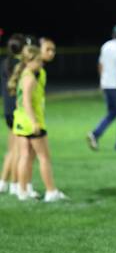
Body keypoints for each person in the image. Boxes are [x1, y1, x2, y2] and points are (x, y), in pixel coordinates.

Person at [9, 43, 67, 202]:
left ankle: (22, 191)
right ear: (30, 61)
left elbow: (18, 103)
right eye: (39, 61)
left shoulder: (24, 75)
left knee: (24, 156)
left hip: (20, 122)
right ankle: (51, 192)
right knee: (44, 157)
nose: (41, 64)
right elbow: (27, 102)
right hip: (31, 123)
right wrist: (34, 122)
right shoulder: (29, 79)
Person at [87, 24, 116, 151]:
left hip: (107, 85)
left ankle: (95, 134)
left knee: (113, 113)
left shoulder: (106, 45)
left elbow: (100, 65)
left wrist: (102, 81)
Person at [0, 34, 24, 195]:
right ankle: (15, 184)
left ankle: (2, 183)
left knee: (11, 149)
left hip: (7, 110)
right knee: (19, 150)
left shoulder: (4, 63)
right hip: (17, 109)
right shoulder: (21, 65)